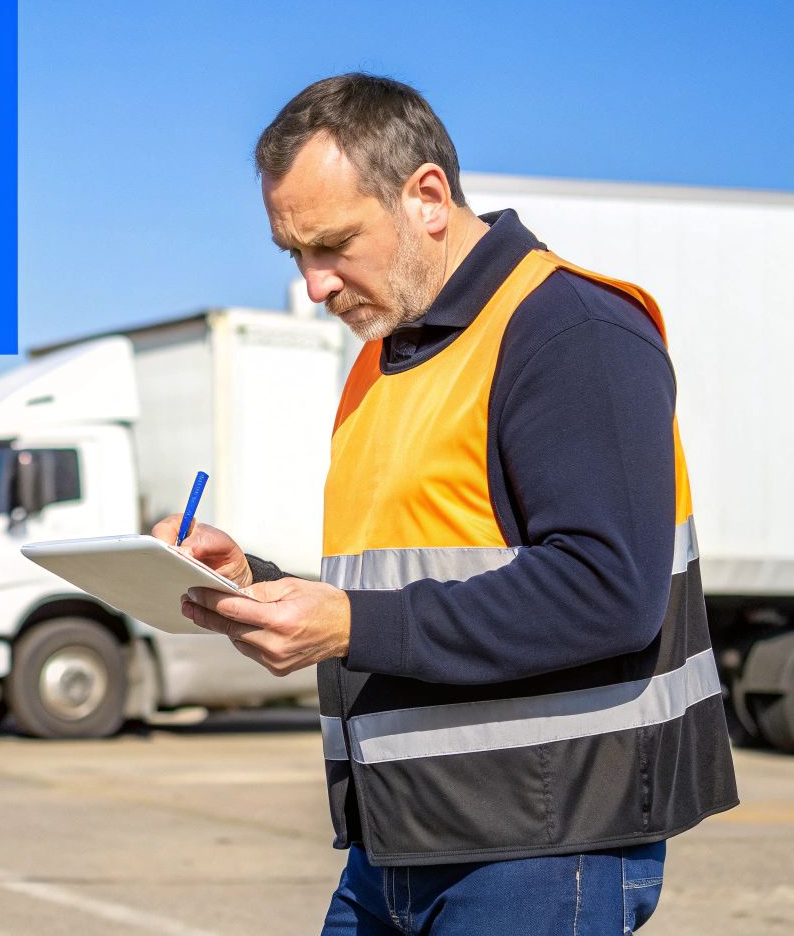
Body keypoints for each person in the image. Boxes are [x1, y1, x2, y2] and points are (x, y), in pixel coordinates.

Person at [156, 73, 738, 934]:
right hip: (398, 844)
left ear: (427, 196)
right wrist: (252, 580)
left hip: (541, 849)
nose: (314, 284)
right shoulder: (388, 356)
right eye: (294, 254)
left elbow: (610, 590)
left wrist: (350, 624)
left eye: (332, 244)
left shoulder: (570, 329)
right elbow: (408, 582)